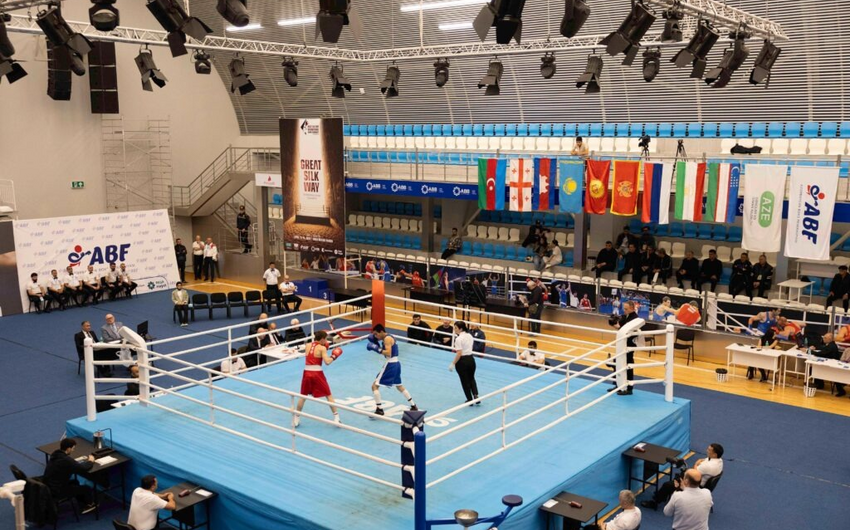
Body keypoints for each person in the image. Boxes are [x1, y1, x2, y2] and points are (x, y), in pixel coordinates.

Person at [642, 443, 723, 511]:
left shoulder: (708, 466)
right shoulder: (719, 461)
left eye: (709, 450)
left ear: (715, 454)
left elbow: (693, 472)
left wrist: (696, 463)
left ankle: (655, 502)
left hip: (695, 484)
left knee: (667, 485)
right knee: (679, 476)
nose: (706, 450)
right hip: (699, 480)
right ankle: (663, 494)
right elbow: (703, 460)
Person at [293, 330, 343, 427]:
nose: (327, 341)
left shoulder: (307, 345)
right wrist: (334, 356)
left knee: (303, 396)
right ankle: (336, 418)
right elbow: (327, 362)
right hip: (317, 373)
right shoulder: (322, 348)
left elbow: (312, 355)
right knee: (328, 395)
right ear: (322, 339)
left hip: (306, 373)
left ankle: (296, 418)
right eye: (326, 339)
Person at [369, 324, 418, 416]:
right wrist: (378, 345)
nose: (375, 336)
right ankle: (413, 405)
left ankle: (379, 409)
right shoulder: (388, 337)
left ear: (381, 332)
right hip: (396, 363)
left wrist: (376, 349)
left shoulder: (387, 339)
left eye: (376, 334)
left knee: (374, 386)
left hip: (390, 364)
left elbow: (388, 353)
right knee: (399, 386)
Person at [43, 438, 97, 514]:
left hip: (48, 486)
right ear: (68, 449)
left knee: (75, 482)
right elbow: (83, 468)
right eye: (73, 448)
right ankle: (89, 505)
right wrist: (90, 461)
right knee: (87, 488)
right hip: (57, 490)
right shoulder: (66, 460)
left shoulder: (55, 455)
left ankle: (81, 503)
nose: (73, 450)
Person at [610, 301, 638, 395]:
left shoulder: (635, 319)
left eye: (626, 309)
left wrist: (619, 327)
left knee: (628, 365)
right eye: (624, 308)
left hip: (629, 345)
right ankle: (618, 385)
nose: (624, 310)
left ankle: (629, 388)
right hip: (621, 343)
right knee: (617, 362)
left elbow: (631, 332)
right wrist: (613, 323)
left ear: (632, 308)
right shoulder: (624, 316)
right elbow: (620, 328)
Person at [449, 321, 479, 404]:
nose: (454, 329)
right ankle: (475, 395)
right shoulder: (469, 335)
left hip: (462, 361)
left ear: (461, 329)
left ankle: (469, 399)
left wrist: (453, 363)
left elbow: (459, 353)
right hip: (471, 359)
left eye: (456, 328)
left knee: (464, 380)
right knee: (471, 378)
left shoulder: (458, 339)